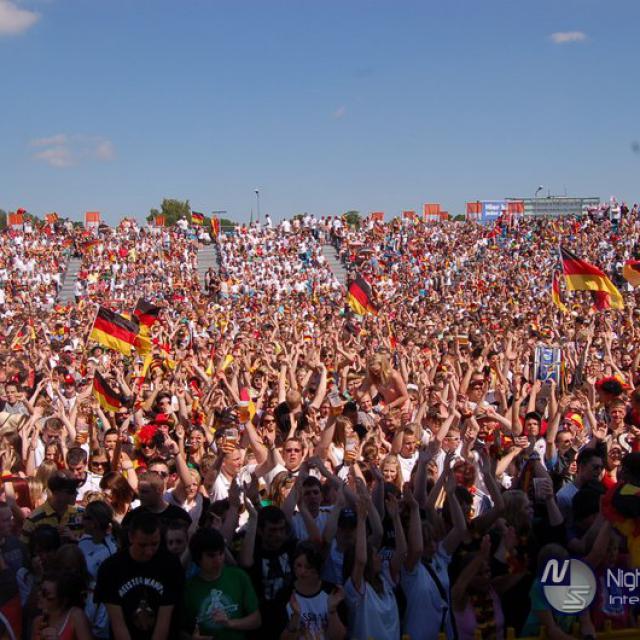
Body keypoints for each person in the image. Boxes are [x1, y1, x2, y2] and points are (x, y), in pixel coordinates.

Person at [94, 511, 184, 640]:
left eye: (154, 544)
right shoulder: (111, 568)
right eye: (142, 545)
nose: (149, 551)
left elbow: (164, 620)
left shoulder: (170, 565)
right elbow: (117, 623)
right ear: (131, 537)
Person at [182, 528, 261, 639]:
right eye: (211, 555)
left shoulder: (239, 577)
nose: (218, 560)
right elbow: (180, 629)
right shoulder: (188, 588)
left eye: (221, 553)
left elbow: (256, 620)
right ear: (198, 557)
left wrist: (230, 623)